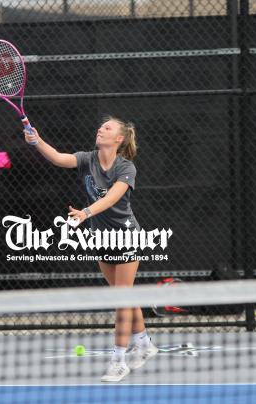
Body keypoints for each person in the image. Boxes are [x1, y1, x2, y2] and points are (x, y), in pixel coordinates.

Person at [24, 116, 158, 382]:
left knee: (122, 299)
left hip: (126, 238)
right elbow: (59, 158)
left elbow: (111, 198)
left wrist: (85, 213)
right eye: (101, 126)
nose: (100, 129)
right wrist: (36, 140)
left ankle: (118, 361)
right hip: (101, 237)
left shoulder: (126, 167)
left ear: (119, 138)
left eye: (107, 128)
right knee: (124, 295)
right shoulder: (88, 158)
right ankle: (143, 342)